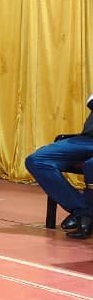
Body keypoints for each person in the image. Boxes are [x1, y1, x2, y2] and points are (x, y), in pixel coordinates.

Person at [24, 93, 93, 239]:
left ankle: (86, 217)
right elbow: (91, 102)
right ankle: (83, 210)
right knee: (36, 161)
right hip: (86, 140)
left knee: (90, 165)